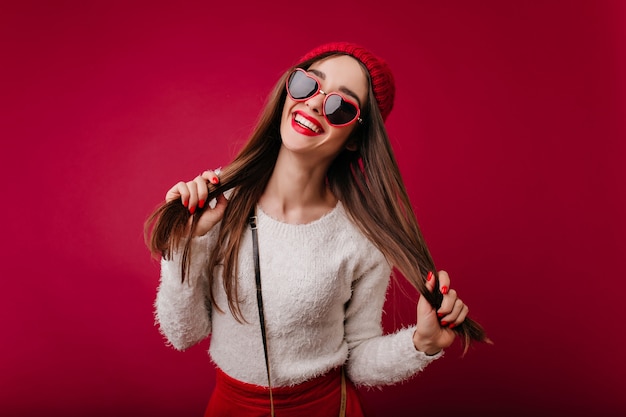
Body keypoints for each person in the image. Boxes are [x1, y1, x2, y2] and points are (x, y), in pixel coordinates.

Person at [145, 42, 489, 417]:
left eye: (341, 106)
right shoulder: (217, 204)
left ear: (356, 138)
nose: (313, 103)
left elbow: (357, 359)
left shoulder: (361, 238)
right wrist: (186, 244)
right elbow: (183, 334)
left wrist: (421, 343)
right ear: (288, 91)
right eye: (308, 85)